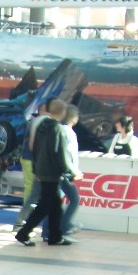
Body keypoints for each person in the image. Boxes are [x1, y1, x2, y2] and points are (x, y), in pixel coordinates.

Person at [15, 98, 74, 247]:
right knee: (45, 205)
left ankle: (55, 236)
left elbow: (34, 148)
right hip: (52, 172)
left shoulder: (42, 125)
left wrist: (36, 168)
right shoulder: (58, 129)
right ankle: (24, 233)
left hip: (41, 170)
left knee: (54, 204)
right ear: (63, 112)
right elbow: (61, 153)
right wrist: (69, 171)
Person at [43, 103, 83, 241]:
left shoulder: (59, 130)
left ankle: (47, 231)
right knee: (74, 199)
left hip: (58, 171)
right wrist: (73, 171)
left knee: (54, 201)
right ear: (74, 117)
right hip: (65, 172)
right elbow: (68, 154)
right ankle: (64, 225)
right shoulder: (69, 133)